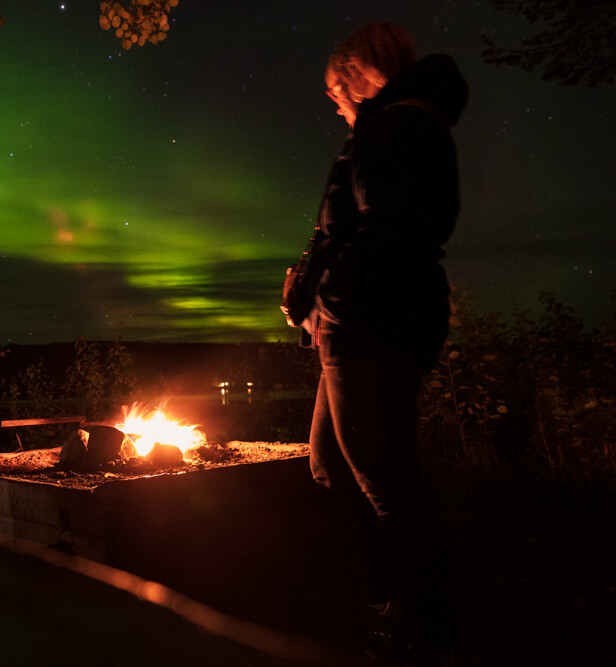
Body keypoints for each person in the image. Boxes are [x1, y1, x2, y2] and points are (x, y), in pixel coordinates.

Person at [281, 22, 468, 660]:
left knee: (387, 483)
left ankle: (426, 626)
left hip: (370, 325)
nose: (332, 102)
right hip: (356, 321)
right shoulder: (388, 128)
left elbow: (394, 230)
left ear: (359, 74)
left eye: (335, 88)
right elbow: (353, 225)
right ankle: (383, 600)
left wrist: (330, 297)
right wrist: (309, 289)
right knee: (332, 465)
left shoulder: (398, 126)